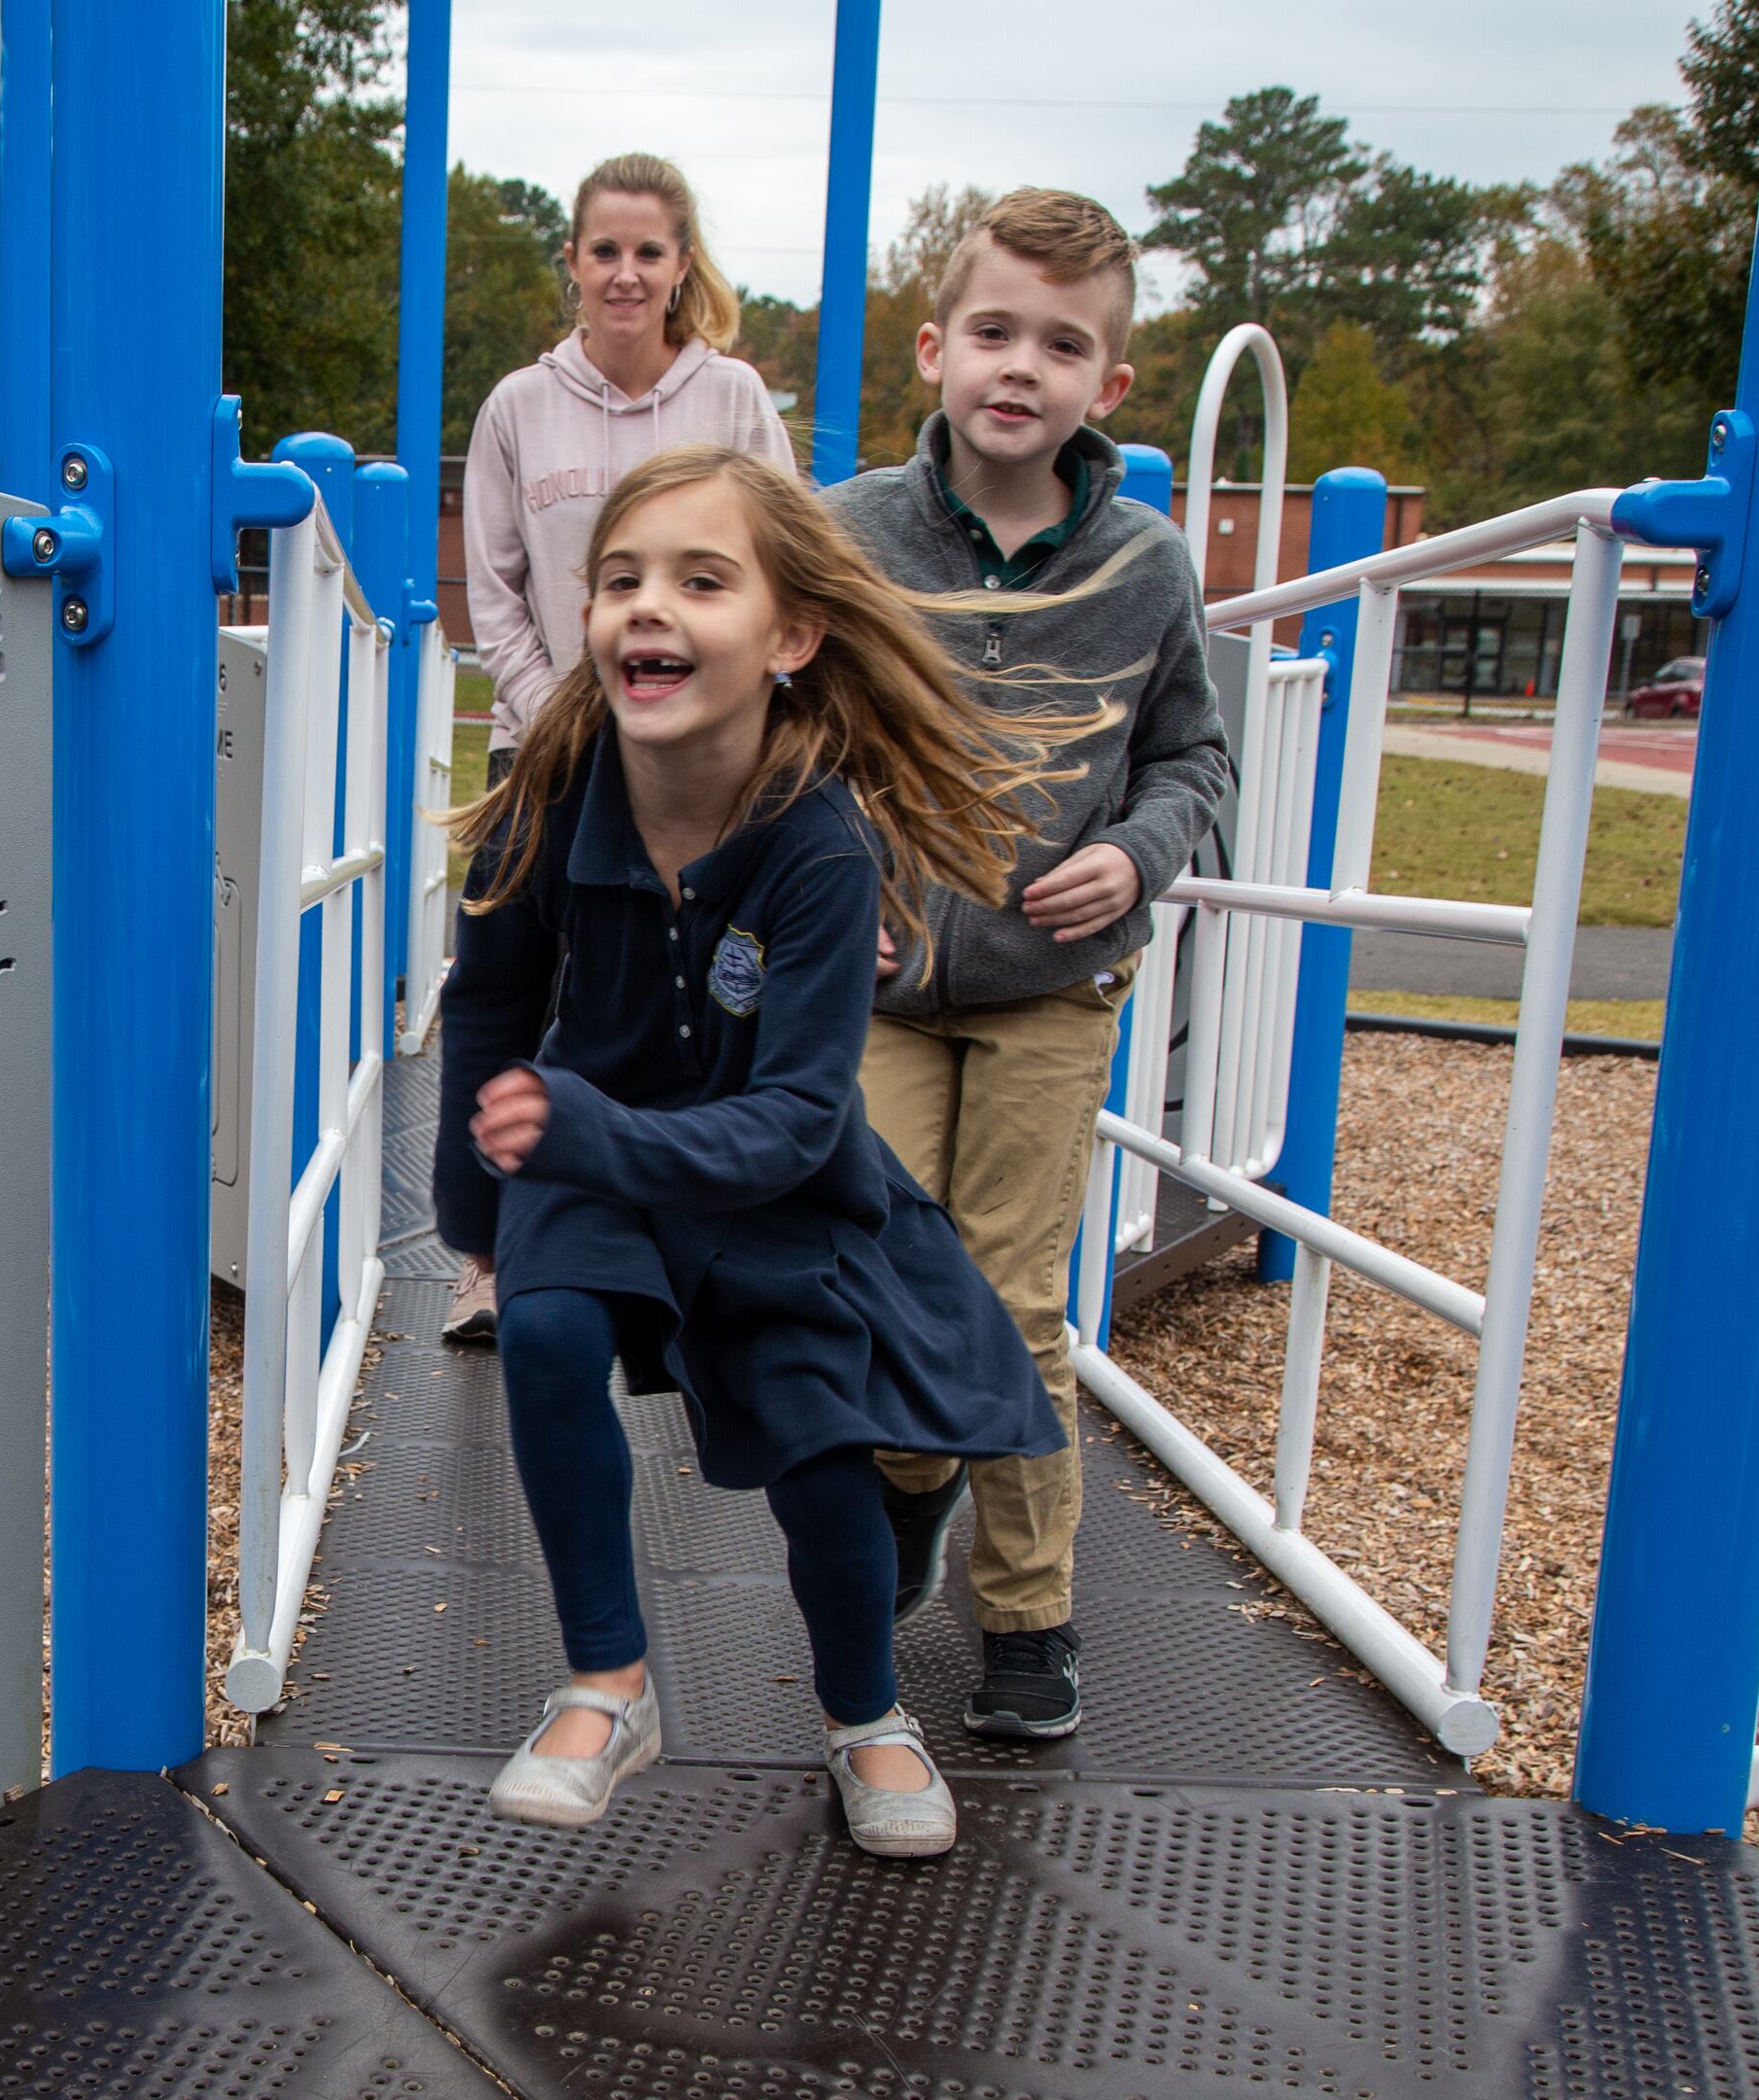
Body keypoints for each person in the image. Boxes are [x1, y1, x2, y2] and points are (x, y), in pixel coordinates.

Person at [435, 443, 1108, 1855]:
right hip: (589, 1155)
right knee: (549, 1336)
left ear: (791, 635)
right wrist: (474, 1201)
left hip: (768, 1177)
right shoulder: (552, 793)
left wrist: (592, 1130)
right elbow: (492, 994)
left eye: (698, 580)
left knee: (823, 1446)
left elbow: (801, 1116)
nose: (647, 609)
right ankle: (608, 1684)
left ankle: (866, 1714)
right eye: (620, 581)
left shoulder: (818, 846)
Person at [826, 189, 1231, 1745]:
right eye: (994, 332)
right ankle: (914, 1483)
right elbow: (784, 737)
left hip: (1054, 979)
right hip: (881, 978)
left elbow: (1193, 754)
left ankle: (1027, 1618)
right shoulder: (853, 534)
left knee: (1013, 1298)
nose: (1021, 367)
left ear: (1107, 387)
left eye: (1063, 346)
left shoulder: (1144, 563)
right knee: (884, 1280)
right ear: (935, 349)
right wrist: (816, 886)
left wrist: (1139, 853)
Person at [450, 151, 798, 1347]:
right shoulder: (518, 407)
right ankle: (490, 1251)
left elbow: (781, 561)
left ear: (682, 265)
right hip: (543, 745)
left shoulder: (733, 402)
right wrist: (559, 713)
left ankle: (682, 1233)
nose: (626, 273)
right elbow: (492, 582)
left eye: (650, 251)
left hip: (694, 759)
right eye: (605, 249)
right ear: (574, 262)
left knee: (671, 988)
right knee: (504, 987)